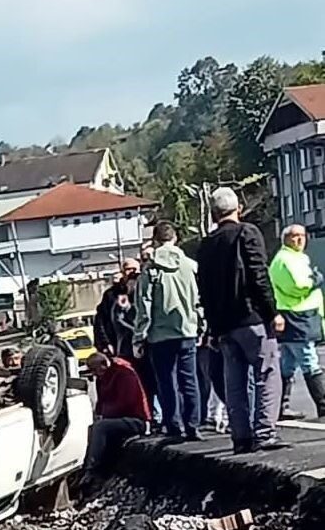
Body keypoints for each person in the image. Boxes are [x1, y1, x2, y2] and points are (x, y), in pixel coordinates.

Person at [196, 187, 285, 453]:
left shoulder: (206, 245)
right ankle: (265, 432)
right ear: (239, 208)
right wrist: (272, 312)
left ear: (213, 214)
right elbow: (258, 275)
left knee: (234, 382)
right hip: (251, 317)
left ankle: (241, 437)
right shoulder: (247, 233)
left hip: (223, 324)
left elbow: (205, 290)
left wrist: (212, 327)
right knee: (266, 373)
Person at [134, 221, 203, 441]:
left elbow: (144, 305)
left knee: (167, 381)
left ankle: (174, 427)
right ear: (175, 238)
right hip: (188, 330)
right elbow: (199, 299)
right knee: (189, 380)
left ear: (155, 240)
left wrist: (139, 336)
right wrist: (201, 325)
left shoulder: (151, 269)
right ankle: (193, 425)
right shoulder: (190, 266)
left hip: (160, 334)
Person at [269, 223, 325, 419]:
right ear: (285, 239)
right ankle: (322, 404)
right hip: (295, 317)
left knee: (287, 363)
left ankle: (281, 407)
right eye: (294, 236)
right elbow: (297, 286)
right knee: (309, 360)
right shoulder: (284, 259)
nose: (300, 239)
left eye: (302, 235)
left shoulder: (297, 257)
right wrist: (315, 281)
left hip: (300, 316)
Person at [81, 352, 151, 489]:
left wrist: (105, 415)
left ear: (104, 365)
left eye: (95, 370)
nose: (94, 374)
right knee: (94, 426)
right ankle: (90, 467)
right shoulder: (104, 377)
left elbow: (126, 402)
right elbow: (101, 402)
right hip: (118, 418)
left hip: (137, 420)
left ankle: (92, 468)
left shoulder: (124, 373)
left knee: (101, 427)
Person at [94, 259, 140, 355]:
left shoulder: (144, 292)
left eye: (134, 269)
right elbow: (101, 320)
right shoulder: (111, 295)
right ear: (122, 272)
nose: (132, 273)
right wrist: (105, 343)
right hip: (120, 346)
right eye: (128, 269)